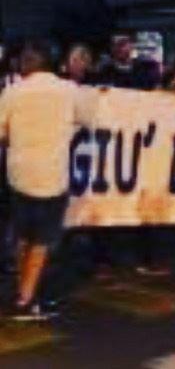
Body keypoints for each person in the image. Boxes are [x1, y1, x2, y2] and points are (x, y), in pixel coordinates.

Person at [0, 42, 88, 320]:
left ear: (28, 64)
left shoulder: (13, 91)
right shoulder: (69, 90)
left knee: (22, 235)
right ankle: (26, 299)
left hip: (19, 174)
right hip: (52, 174)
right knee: (42, 239)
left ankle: (21, 288)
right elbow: (87, 119)